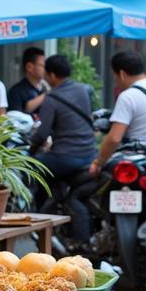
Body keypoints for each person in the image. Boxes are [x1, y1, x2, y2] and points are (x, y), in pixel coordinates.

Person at [30, 55, 96, 242]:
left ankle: (39, 216)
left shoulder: (51, 99)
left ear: (51, 75)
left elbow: (42, 135)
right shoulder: (83, 90)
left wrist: (30, 153)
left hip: (67, 157)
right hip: (90, 154)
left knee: (34, 169)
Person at [90, 50, 146, 176]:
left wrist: (98, 163)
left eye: (115, 76)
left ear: (122, 73)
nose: (115, 81)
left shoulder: (127, 96)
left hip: (133, 161)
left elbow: (114, 138)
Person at [7, 46, 47, 114]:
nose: (46, 69)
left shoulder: (43, 89)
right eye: (42, 65)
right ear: (29, 67)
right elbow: (15, 119)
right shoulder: (16, 91)